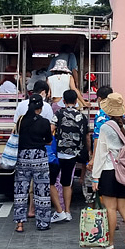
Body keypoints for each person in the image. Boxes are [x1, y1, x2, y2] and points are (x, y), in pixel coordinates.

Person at [87, 92, 125, 249]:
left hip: (109, 171)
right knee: (123, 207)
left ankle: (109, 244)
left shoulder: (105, 127)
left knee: (110, 209)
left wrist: (95, 177)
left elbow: (101, 153)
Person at [13, 94, 54, 232]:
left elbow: (17, 136)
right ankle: (42, 223)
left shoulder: (21, 120)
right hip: (39, 157)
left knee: (21, 190)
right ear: (41, 108)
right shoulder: (44, 122)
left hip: (22, 157)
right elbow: (49, 140)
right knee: (42, 190)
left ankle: (19, 224)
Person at [50, 89, 89, 224]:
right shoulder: (82, 116)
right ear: (76, 101)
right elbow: (87, 136)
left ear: (64, 101)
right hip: (73, 154)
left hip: (59, 153)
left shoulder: (59, 113)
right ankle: (67, 212)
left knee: (53, 182)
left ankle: (58, 210)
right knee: (67, 183)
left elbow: (51, 130)